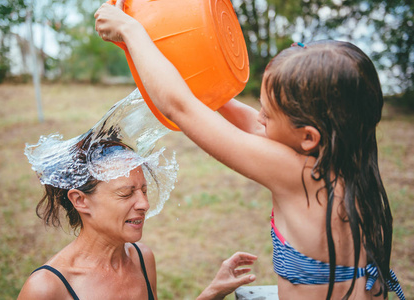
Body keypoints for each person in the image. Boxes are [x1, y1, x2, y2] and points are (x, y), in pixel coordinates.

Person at [94, 2, 406, 299]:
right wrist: (166, 55)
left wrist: (131, 31)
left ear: (308, 136)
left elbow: (182, 108)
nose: (259, 119)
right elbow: (226, 111)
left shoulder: (301, 177)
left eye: (267, 113)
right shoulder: (346, 164)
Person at [18, 138, 257, 300]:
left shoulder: (142, 258)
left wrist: (212, 292)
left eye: (144, 190)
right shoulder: (47, 288)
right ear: (80, 201)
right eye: (126, 193)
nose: (144, 204)